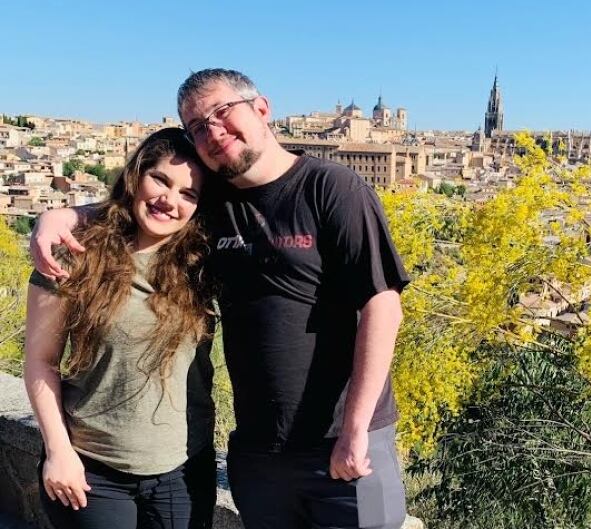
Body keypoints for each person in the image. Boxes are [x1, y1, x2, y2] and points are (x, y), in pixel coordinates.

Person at [32, 68, 410, 529]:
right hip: (258, 452)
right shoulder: (215, 203)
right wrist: (62, 214)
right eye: (197, 126)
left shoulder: (332, 188)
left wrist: (355, 431)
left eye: (222, 112)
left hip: (340, 441)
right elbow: (148, 202)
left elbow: (382, 305)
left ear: (263, 109)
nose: (213, 131)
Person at [25, 128, 217, 529]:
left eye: (189, 194)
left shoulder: (203, 265)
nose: (170, 200)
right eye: (160, 180)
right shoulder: (74, 254)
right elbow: (41, 362)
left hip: (182, 472)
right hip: (93, 472)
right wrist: (58, 452)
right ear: (136, 176)